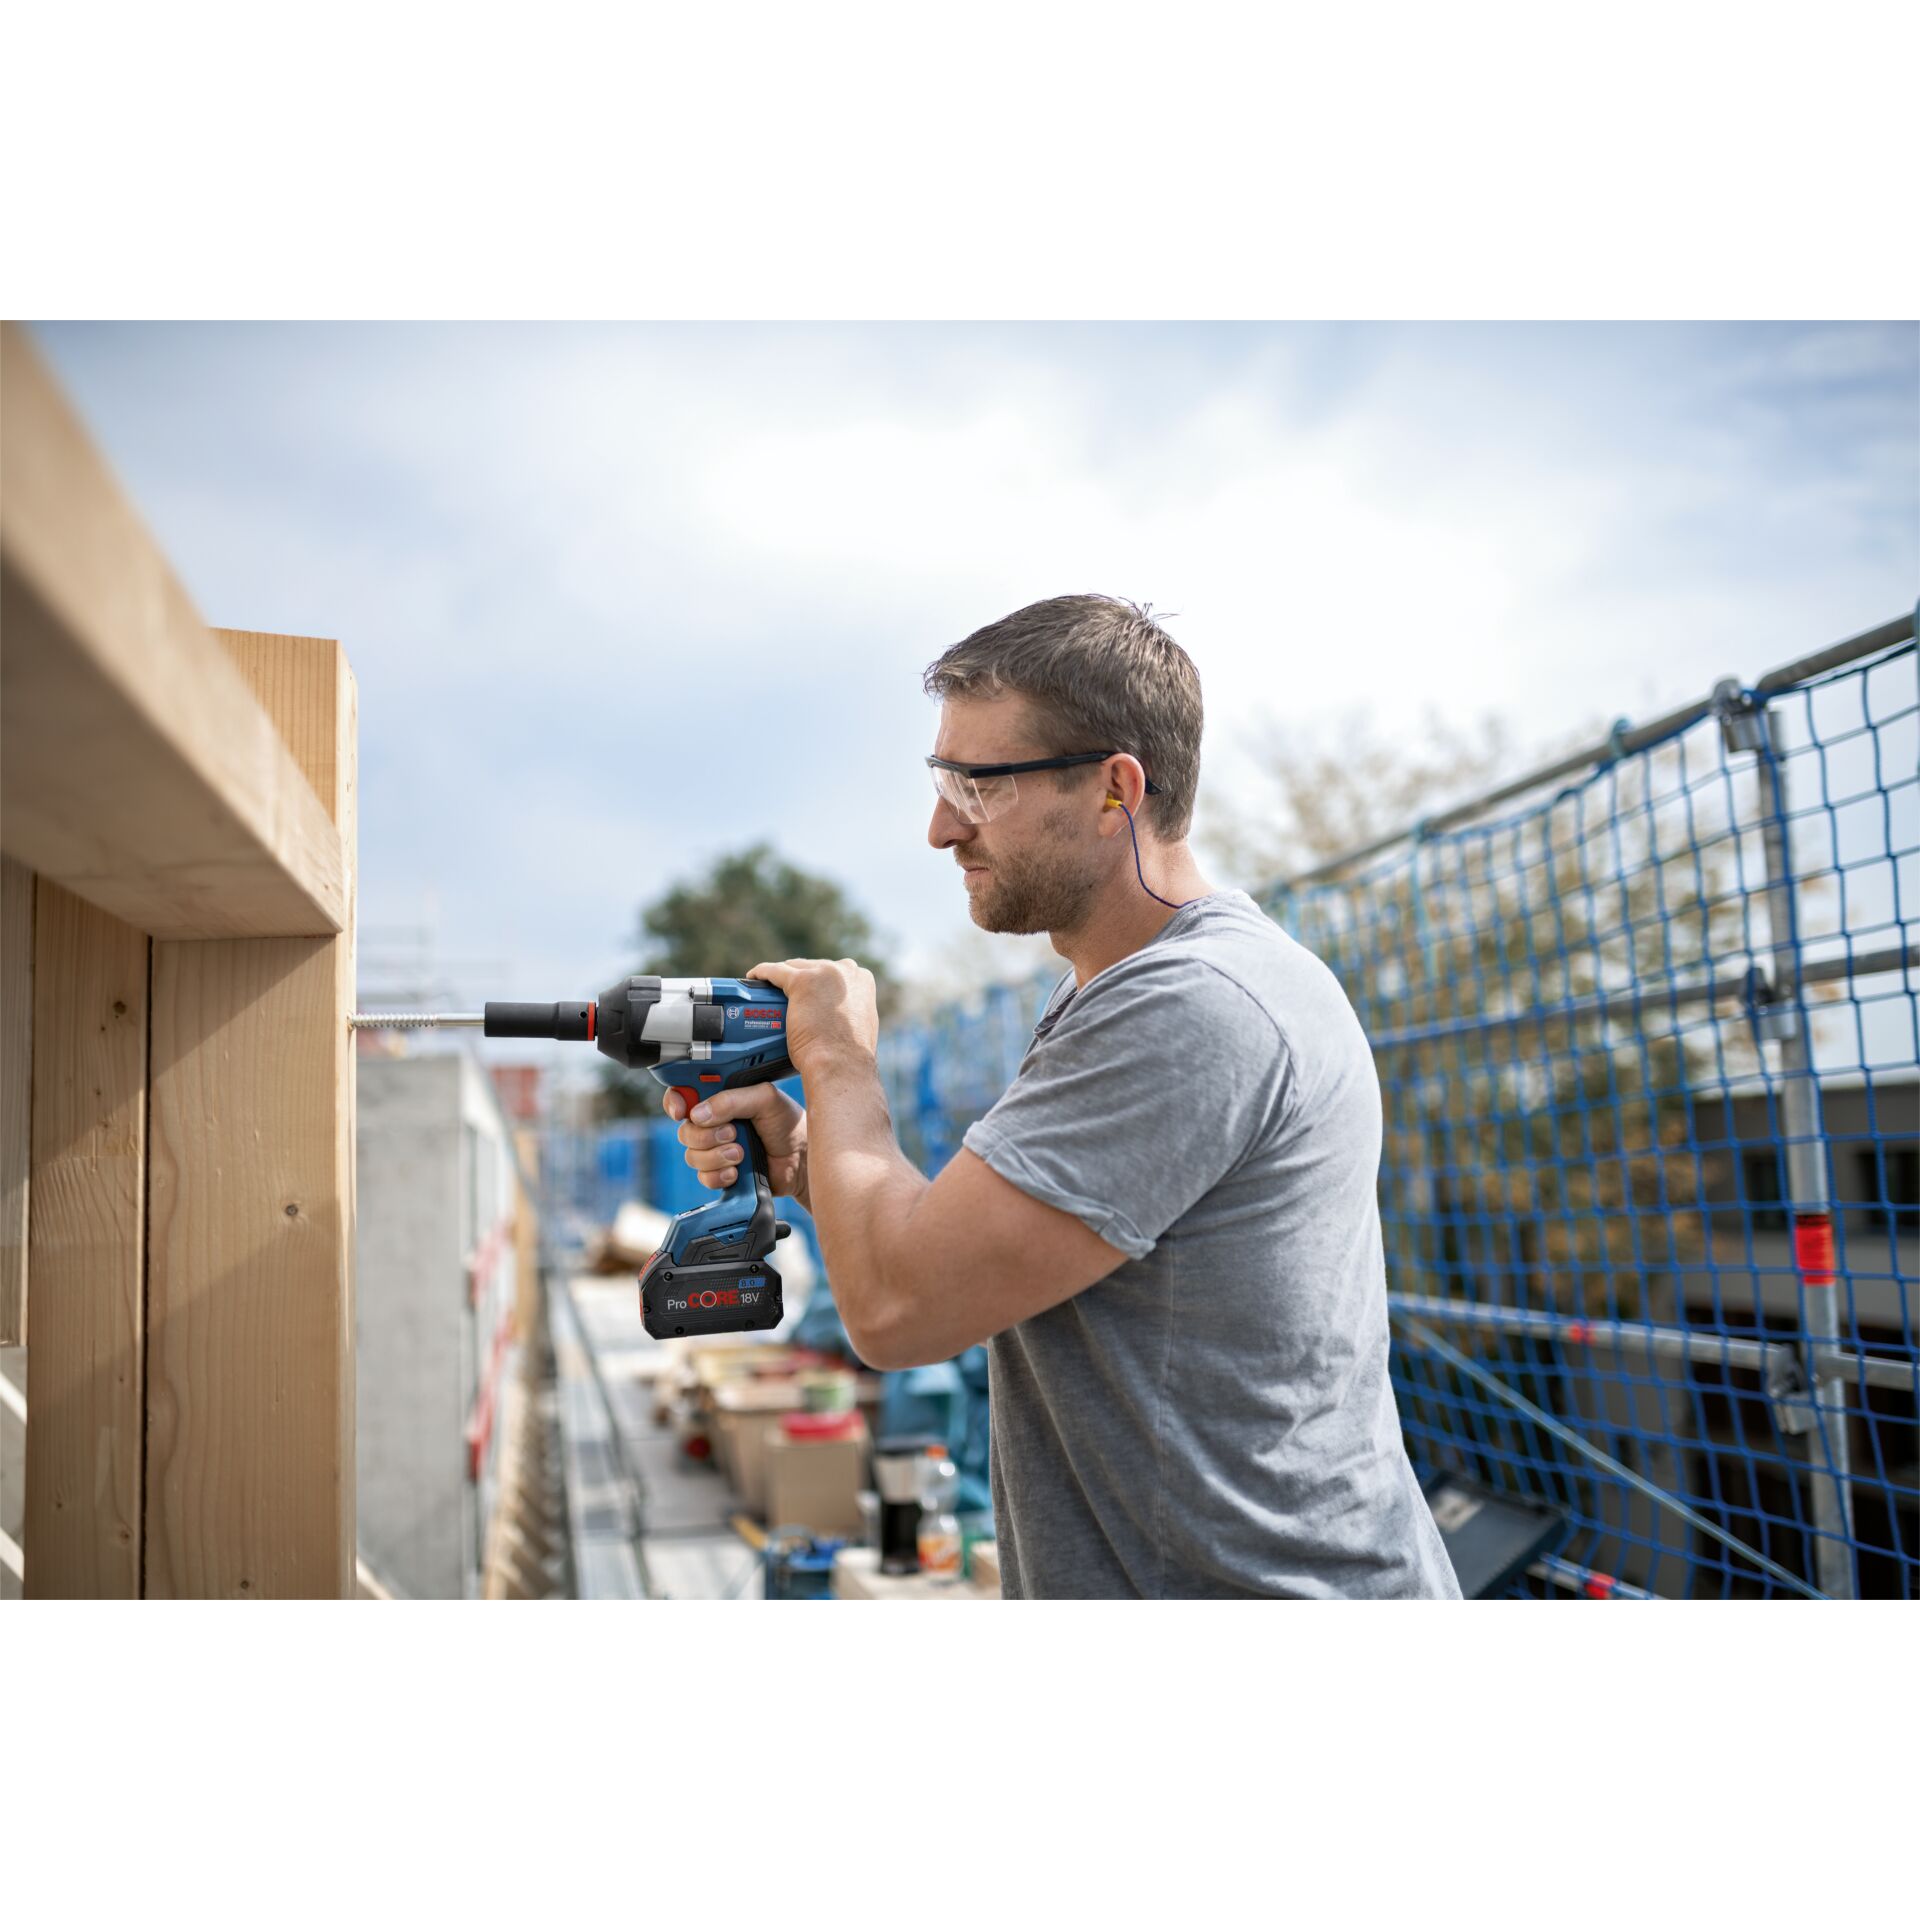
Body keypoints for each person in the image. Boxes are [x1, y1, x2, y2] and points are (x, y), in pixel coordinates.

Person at [665, 594, 1461, 1600]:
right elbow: (950, 1259)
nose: (940, 827)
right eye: (941, 780)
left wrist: (839, 1060)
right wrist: (803, 1156)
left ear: (1114, 790)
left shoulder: (1194, 1010)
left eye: (978, 785)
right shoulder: (1123, 991)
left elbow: (901, 1314)